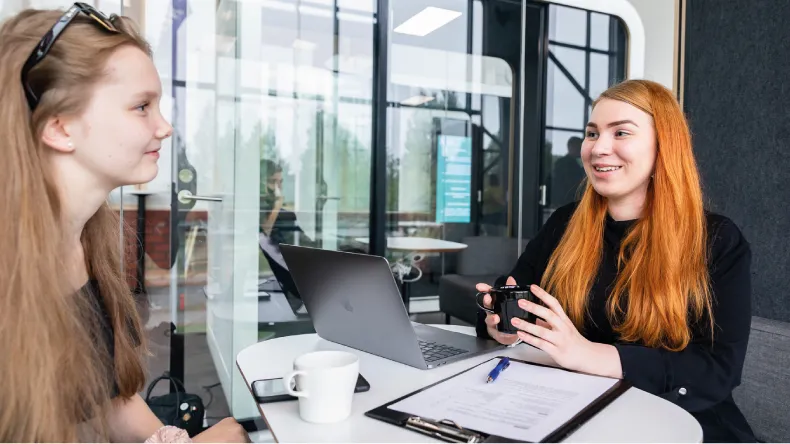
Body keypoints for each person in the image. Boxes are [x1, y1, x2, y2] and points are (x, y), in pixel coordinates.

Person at [0, 4, 246, 442]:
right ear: (60, 128)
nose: (165, 127)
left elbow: (110, 398)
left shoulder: (90, 242)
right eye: (141, 106)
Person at [476, 80, 755, 442]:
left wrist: (591, 356)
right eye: (592, 133)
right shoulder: (564, 223)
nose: (597, 148)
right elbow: (517, 294)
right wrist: (502, 324)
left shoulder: (716, 240)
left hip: (680, 425)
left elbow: (717, 370)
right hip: (575, 411)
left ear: (663, 146)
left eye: (620, 132)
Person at [259, 159, 312, 246]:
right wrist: (277, 205)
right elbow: (263, 235)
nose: (278, 187)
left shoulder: (286, 215)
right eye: (273, 182)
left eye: (280, 182)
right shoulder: (259, 209)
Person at [549, 136, 586, 207]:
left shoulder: (569, 162)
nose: (581, 150)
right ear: (571, 147)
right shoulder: (565, 164)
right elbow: (570, 183)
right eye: (579, 147)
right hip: (566, 201)